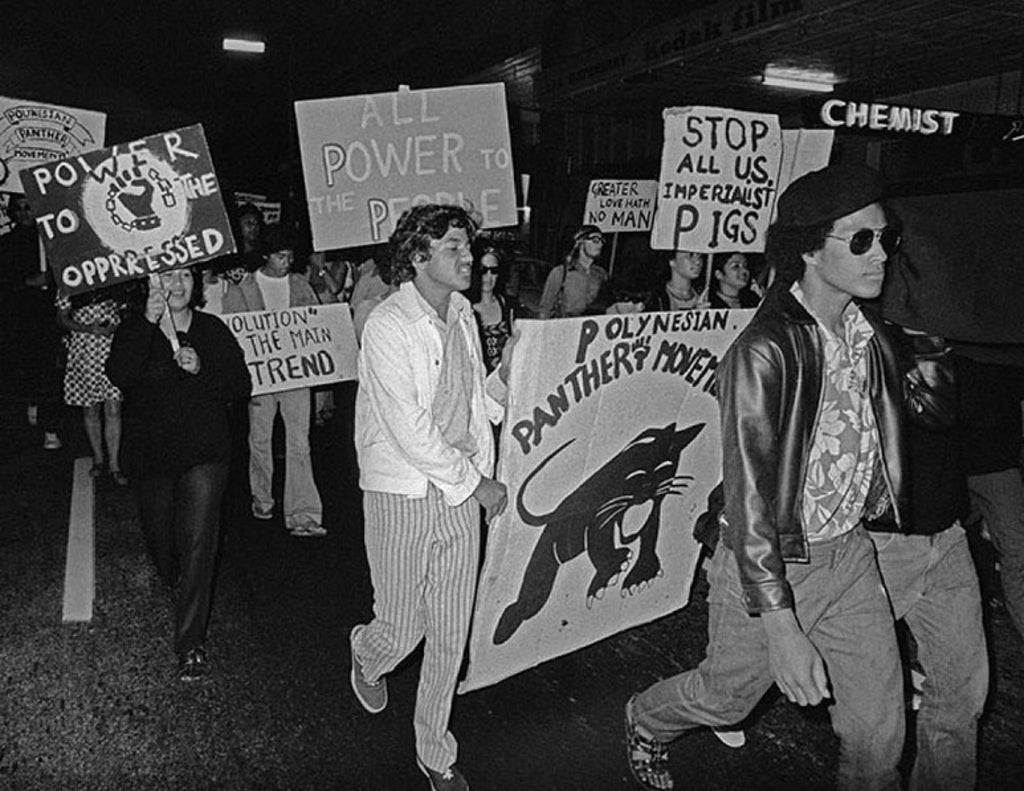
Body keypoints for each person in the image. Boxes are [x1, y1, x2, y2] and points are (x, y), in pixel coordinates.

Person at [624, 163, 945, 791]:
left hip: (851, 556)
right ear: (807, 251)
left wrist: (933, 337)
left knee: (882, 741)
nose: (880, 253)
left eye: (885, 238)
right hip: (770, 563)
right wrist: (781, 622)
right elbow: (749, 501)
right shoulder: (763, 351)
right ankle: (646, 719)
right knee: (725, 700)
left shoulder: (872, 336)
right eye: (860, 241)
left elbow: (931, 418)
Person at [350, 204, 512, 791]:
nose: (469, 258)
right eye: (453, 247)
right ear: (418, 257)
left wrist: (510, 375)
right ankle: (368, 651)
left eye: (468, 247)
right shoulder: (388, 325)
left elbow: (472, 399)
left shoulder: (464, 313)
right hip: (405, 491)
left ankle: (434, 750)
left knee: (449, 632)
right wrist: (478, 485)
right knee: (404, 627)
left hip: (461, 488)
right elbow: (409, 429)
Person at [106, 267, 250, 681]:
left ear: (197, 283)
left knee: (199, 545)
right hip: (152, 458)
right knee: (163, 547)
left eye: (185, 275)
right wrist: (147, 323)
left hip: (205, 453)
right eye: (166, 277)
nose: (177, 284)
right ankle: (175, 579)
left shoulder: (211, 329)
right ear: (151, 286)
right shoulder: (136, 329)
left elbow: (239, 384)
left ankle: (190, 645)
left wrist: (203, 367)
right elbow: (120, 374)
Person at [865, 325, 988, 791]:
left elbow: (977, 417)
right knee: (871, 725)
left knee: (961, 695)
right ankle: (666, 713)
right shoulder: (869, 329)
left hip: (948, 539)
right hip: (883, 545)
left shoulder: (963, 332)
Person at [223, 225, 326, 537]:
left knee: (299, 444)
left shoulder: (300, 284)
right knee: (260, 441)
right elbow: (234, 334)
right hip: (260, 378)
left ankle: (303, 513)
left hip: (296, 374)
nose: (286, 261)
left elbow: (318, 326)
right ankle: (262, 499)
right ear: (265, 255)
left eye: (290, 256)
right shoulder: (244, 287)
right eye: (280, 256)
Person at [0, 194, 64, 448]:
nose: (26, 213)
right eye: (20, 209)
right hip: (17, 318)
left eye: (30, 207)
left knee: (49, 370)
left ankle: (51, 428)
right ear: (12, 213)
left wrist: (52, 280)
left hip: (47, 317)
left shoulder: (51, 242)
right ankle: (32, 403)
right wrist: (27, 282)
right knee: (23, 369)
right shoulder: (5, 244)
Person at [56, 285, 129, 485]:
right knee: (90, 409)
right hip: (84, 351)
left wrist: (114, 327)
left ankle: (114, 464)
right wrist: (89, 328)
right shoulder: (70, 280)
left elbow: (125, 313)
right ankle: (98, 459)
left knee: (114, 408)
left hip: (111, 348)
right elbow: (62, 318)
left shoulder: (112, 277)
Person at [537, 224, 609, 318]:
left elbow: (606, 308)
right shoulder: (560, 273)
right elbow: (545, 310)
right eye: (595, 240)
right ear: (580, 242)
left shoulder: (601, 274)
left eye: (602, 241)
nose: (600, 244)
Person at [467, 244, 515, 374]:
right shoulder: (464, 308)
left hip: (504, 380)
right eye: (483, 270)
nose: (488, 277)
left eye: (494, 271)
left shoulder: (506, 304)